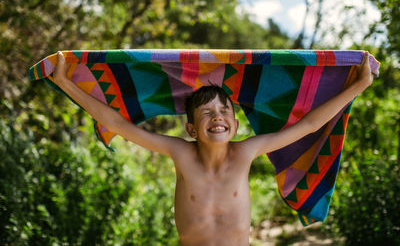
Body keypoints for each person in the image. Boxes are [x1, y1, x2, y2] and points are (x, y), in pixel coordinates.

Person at [53, 51, 373, 246]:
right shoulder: (180, 152)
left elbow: (308, 125)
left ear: (234, 125)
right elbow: (120, 125)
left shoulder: (245, 152)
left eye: (224, 112)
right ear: (192, 128)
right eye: (206, 112)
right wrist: (65, 82)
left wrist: (359, 85)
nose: (216, 116)